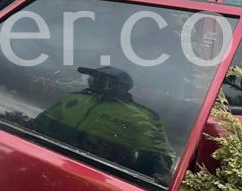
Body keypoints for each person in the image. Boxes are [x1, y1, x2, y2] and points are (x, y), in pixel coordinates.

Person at [33, 66, 174, 182]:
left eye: (103, 79)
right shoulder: (74, 98)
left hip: (99, 177)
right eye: (94, 77)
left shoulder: (142, 116)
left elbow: (159, 155)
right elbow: (39, 124)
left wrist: (159, 176)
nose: (95, 81)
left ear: (122, 87)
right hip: (53, 162)